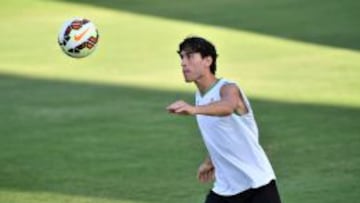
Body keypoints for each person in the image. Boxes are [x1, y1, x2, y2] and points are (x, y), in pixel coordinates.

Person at [166, 36, 281, 203]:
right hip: (225, 190)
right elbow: (222, 134)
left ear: (207, 60)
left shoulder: (228, 88)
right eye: (182, 57)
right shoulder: (200, 96)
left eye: (189, 56)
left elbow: (227, 107)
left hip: (257, 186)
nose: (183, 63)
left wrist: (193, 110)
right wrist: (209, 161)